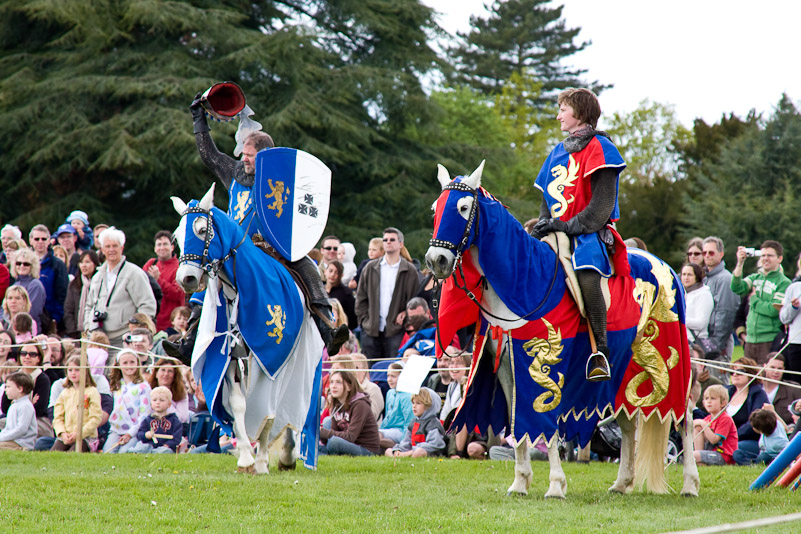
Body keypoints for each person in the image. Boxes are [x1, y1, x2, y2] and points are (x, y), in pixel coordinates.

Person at [172, 99, 347, 360]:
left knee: (309, 268)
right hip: (235, 249)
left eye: (250, 155)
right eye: (243, 154)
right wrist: (199, 119)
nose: (244, 159)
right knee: (207, 276)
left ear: (263, 156)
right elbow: (209, 155)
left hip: (273, 249)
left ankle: (327, 329)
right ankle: (189, 341)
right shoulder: (234, 172)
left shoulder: (282, 180)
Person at [530, 88, 627, 382]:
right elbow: (547, 202)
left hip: (589, 234)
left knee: (586, 271)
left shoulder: (602, 148)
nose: (558, 115)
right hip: (558, 232)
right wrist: (543, 226)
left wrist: (566, 227)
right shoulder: (557, 152)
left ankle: (601, 351)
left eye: (563, 109)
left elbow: (601, 207)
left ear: (580, 114)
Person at [355, 227, 421, 360]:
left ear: (401, 244)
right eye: (385, 240)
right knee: (371, 371)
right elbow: (360, 298)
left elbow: (415, 300)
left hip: (397, 330)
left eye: (392, 239)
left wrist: (405, 314)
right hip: (370, 329)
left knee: (394, 370)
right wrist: (364, 321)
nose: (388, 242)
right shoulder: (370, 267)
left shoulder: (410, 270)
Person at [84, 227, 157, 348]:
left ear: (122, 248)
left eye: (115, 246)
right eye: (107, 246)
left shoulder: (134, 273)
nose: (111, 250)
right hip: (97, 340)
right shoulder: (97, 276)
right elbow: (89, 306)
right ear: (102, 249)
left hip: (124, 340)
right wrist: (88, 327)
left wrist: (136, 333)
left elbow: (147, 306)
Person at [731, 241, 791, 365]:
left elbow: (773, 310)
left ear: (779, 259)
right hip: (750, 339)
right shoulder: (755, 278)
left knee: (766, 378)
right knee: (750, 379)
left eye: (769, 255)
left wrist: (754, 300)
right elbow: (736, 287)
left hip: (769, 340)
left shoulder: (784, 283)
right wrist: (740, 263)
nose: (765, 259)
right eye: (763, 256)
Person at [701, 236, 741, 383]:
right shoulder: (705, 278)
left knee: (717, 386)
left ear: (721, 254)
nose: (706, 256)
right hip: (705, 342)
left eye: (711, 253)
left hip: (717, 346)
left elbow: (725, 314)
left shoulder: (725, 279)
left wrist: (715, 347)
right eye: (704, 253)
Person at [319, 370, 380, 456]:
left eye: (338, 382)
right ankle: (323, 453)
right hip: (349, 443)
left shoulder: (360, 404)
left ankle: (324, 453)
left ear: (349, 387)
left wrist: (325, 433)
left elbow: (351, 437)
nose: (333, 386)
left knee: (334, 442)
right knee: (326, 425)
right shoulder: (336, 404)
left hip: (366, 449)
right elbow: (333, 431)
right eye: (331, 382)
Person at [51, 355, 102, 452]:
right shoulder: (64, 393)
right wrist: (62, 433)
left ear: (85, 371)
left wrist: (79, 433)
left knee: (72, 455)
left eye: (77, 370)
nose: (73, 373)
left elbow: (95, 418)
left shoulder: (92, 392)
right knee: (54, 455)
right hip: (66, 436)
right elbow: (57, 417)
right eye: (70, 370)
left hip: (85, 437)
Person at [103, 349, 152, 453]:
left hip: (136, 430)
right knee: (107, 453)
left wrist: (130, 434)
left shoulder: (143, 386)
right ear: (118, 365)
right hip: (116, 430)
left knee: (124, 453)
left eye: (132, 362)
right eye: (125, 363)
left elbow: (145, 414)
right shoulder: (116, 386)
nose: (129, 365)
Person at [0, 340, 51, 437]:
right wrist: (30, 403)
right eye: (23, 354)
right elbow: (5, 406)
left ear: (39, 358)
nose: (27, 357)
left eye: (32, 354)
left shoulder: (42, 379)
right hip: (12, 418)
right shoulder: (13, 377)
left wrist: (17, 404)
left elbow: (39, 409)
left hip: (37, 421)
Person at [727, 357, 770, 461]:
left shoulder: (759, 394)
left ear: (751, 374)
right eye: (732, 371)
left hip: (750, 440)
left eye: (740, 371)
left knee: (737, 448)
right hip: (723, 439)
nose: (735, 374)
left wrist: (732, 436)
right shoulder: (726, 392)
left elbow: (755, 422)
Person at [142, 230, 185, 332]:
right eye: (159, 245)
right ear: (155, 248)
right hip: (151, 320)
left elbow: (178, 294)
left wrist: (158, 280)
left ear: (172, 247)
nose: (162, 247)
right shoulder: (150, 264)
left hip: (171, 324)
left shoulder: (179, 267)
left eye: (165, 244)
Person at [28, 224, 68, 332]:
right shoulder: (23, 263)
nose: (40, 242)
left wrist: (56, 317)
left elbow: (62, 294)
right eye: (37, 239)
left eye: (43, 239)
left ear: (49, 240)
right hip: (27, 317)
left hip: (49, 318)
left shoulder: (57, 264)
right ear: (30, 240)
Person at [387, 387, 446, 457]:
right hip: (412, 450)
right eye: (413, 403)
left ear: (429, 406)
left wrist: (413, 450)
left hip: (428, 452)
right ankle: (401, 455)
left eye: (418, 403)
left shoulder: (433, 423)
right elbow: (406, 441)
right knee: (388, 451)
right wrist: (398, 449)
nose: (414, 406)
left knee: (418, 452)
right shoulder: (414, 422)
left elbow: (435, 444)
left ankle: (405, 455)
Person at [693, 384, 738, 466]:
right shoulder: (708, 419)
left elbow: (714, 440)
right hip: (711, 452)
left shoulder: (725, 418)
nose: (709, 401)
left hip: (723, 455)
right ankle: (700, 456)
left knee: (693, 456)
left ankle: (699, 457)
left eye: (713, 398)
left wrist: (703, 424)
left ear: (723, 403)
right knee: (697, 429)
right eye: (706, 398)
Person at [131, 386, 183, 454]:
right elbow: (139, 434)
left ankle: (155, 452)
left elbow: (177, 437)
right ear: (151, 404)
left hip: (165, 447)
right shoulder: (148, 420)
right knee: (143, 447)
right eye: (154, 400)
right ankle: (134, 451)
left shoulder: (174, 421)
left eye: (162, 400)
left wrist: (168, 445)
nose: (158, 402)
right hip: (149, 445)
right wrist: (146, 435)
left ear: (169, 404)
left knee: (166, 451)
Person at [63, 250, 100, 338]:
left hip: (96, 331)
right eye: (81, 262)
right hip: (77, 332)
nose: (83, 265)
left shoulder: (100, 283)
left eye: (87, 262)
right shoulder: (74, 284)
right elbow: (68, 309)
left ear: (95, 264)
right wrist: (72, 331)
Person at [9, 248, 46, 333]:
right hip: (11, 327)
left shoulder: (35, 285)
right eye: (18, 263)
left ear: (32, 266)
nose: (21, 266)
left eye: (26, 264)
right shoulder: (15, 284)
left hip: (27, 329)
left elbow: (32, 311)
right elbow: (5, 309)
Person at [379, 363, 414, 445]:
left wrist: (404, 442)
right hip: (388, 429)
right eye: (388, 376)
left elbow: (409, 422)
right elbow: (387, 417)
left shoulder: (407, 396)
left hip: (400, 431)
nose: (389, 379)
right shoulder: (390, 393)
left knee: (376, 435)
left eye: (393, 376)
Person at [758, 353, 798, 427]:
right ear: (765, 366)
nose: (776, 371)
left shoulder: (794, 389)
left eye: (780, 368)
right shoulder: (756, 389)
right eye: (772, 367)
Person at [0, 372, 38, 450]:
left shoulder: (25, 406)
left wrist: (3, 438)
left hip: (20, 442)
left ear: (20, 389)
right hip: (11, 440)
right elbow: (8, 428)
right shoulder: (14, 405)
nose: (5, 390)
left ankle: (22, 449)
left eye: (8, 387)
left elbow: (21, 429)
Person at [681, 262, 714, 345]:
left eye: (690, 275)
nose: (686, 277)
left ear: (697, 276)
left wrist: (680, 320)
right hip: (684, 340)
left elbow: (701, 323)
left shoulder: (704, 293)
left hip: (696, 342)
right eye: (684, 274)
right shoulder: (683, 293)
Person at [148, 358, 189, 424]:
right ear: (156, 373)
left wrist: (166, 399)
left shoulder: (181, 392)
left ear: (174, 375)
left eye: (170, 371)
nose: (166, 374)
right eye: (163, 370)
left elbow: (183, 418)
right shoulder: (148, 390)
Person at [779, 254, 801, 376]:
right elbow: (783, 318)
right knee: (796, 383)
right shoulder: (794, 287)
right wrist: (793, 307)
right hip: (796, 343)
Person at [350, 353, 384, 422]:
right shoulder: (344, 388)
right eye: (349, 368)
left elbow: (372, 416)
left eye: (356, 367)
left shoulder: (373, 389)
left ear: (364, 370)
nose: (351, 371)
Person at [324, 260, 356, 329]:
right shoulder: (319, 290)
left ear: (342, 275)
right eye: (330, 271)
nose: (333, 275)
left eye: (337, 273)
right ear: (325, 271)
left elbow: (353, 318)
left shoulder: (346, 293)